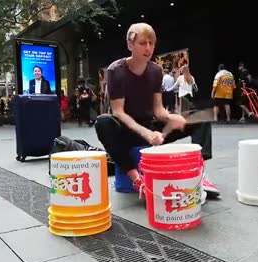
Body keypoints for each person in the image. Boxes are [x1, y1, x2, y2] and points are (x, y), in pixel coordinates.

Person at [94, 22, 219, 197]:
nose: (148, 48)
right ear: (130, 45)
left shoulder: (155, 71)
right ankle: (138, 180)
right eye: (143, 43)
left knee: (201, 117)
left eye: (151, 43)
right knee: (103, 122)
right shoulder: (116, 70)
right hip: (126, 132)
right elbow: (118, 112)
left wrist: (171, 118)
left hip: (152, 130)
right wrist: (146, 133)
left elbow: (158, 110)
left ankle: (199, 172)